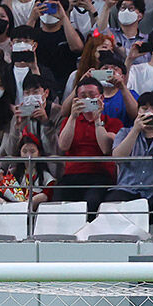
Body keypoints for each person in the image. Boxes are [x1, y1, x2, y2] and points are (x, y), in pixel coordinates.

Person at [57, 77, 125, 215]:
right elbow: (63, 146)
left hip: (100, 175)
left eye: (92, 96)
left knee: (92, 202)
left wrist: (97, 119)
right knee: (59, 204)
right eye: (83, 96)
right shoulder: (68, 121)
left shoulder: (114, 123)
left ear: (101, 98)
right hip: (72, 175)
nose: (87, 100)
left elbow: (106, 149)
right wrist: (73, 117)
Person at [106, 91, 153, 208]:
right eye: (144, 109)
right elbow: (117, 158)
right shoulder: (125, 132)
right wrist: (135, 130)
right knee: (112, 203)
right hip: (128, 189)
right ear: (138, 112)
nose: (149, 113)